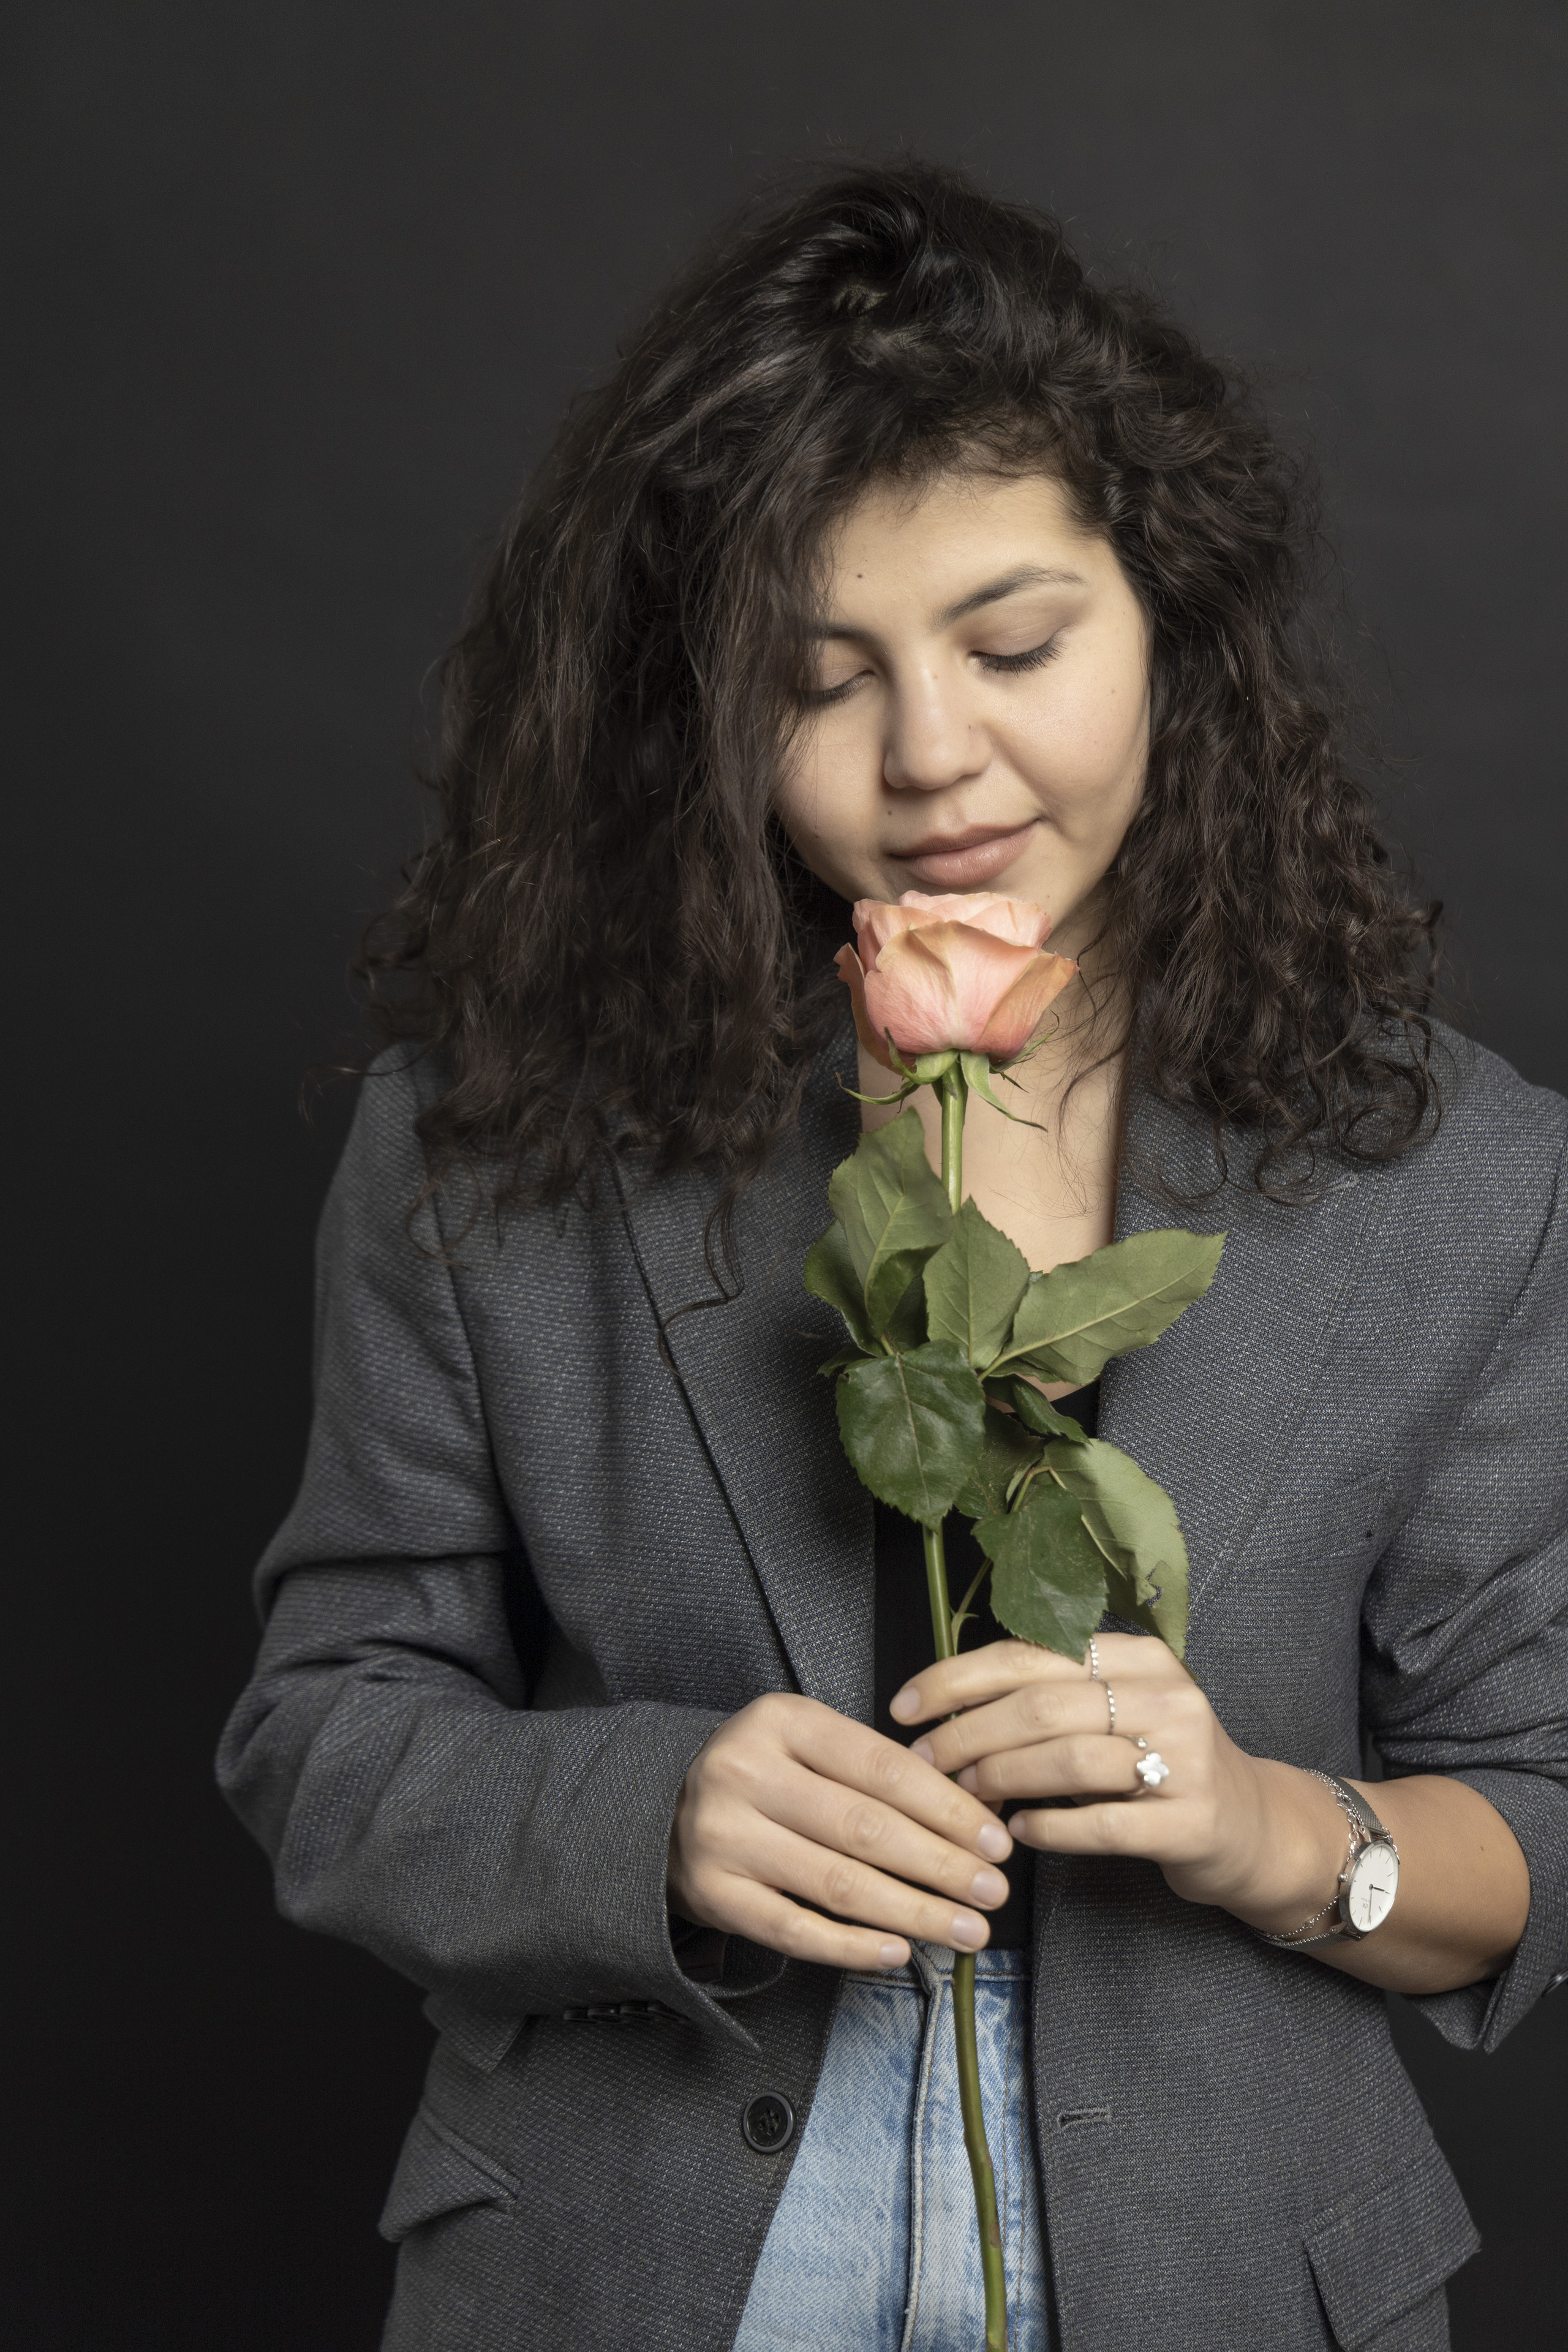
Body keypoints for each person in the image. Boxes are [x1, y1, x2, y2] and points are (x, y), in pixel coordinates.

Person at [217, 161, 1567, 2352]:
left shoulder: (1465, 1178)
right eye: (815, 679)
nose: (934, 756)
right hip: (626, 2257)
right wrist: (643, 1813)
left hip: (1234, 2269)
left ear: (1173, 622)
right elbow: (325, 1727)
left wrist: (1263, 1825)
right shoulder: (490, 1153)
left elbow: (1541, 1808)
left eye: (1016, 645)